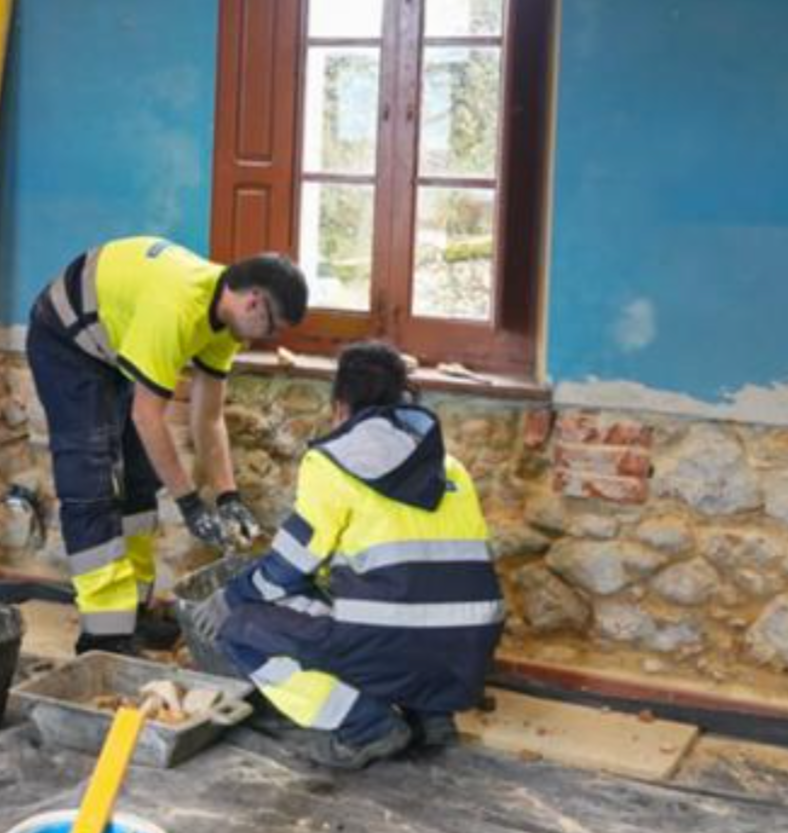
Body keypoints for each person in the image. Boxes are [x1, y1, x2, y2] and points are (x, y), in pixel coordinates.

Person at [204, 341, 504, 771]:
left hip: (396, 642)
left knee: (243, 629)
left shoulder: (331, 463)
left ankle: (367, 727)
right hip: (469, 650)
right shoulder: (449, 465)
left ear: (340, 407)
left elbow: (290, 566)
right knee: (391, 602)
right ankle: (431, 716)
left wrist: (233, 595)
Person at [27, 237, 307, 654]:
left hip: (112, 342)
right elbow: (147, 416)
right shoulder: (177, 308)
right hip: (66, 341)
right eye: (273, 327)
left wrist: (228, 497)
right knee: (92, 485)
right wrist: (190, 504)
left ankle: (133, 613)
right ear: (253, 302)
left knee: (140, 476)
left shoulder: (225, 320)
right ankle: (104, 634)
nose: (270, 337)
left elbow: (208, 418)